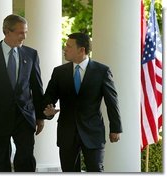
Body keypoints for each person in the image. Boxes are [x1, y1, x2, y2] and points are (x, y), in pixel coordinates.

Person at [0, 14, 45, 172]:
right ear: (6, 31)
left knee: (26, 160)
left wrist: (40, 116)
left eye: (25, 32)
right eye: (20, 32)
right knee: (1, 162)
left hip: (24, 118)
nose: (24, 36)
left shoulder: (31, 54)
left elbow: (37, 87)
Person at [43, 32, 122, 172]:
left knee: (95, 170)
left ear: (81, 50)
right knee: (69, 171)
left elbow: (112, 101)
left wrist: (115, 128)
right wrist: (48, 111)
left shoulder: (102, 71)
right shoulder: (59, 72)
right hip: (67, 132)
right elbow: (49, 97)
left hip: (93, 132)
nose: (64, 49)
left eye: (68, 46)